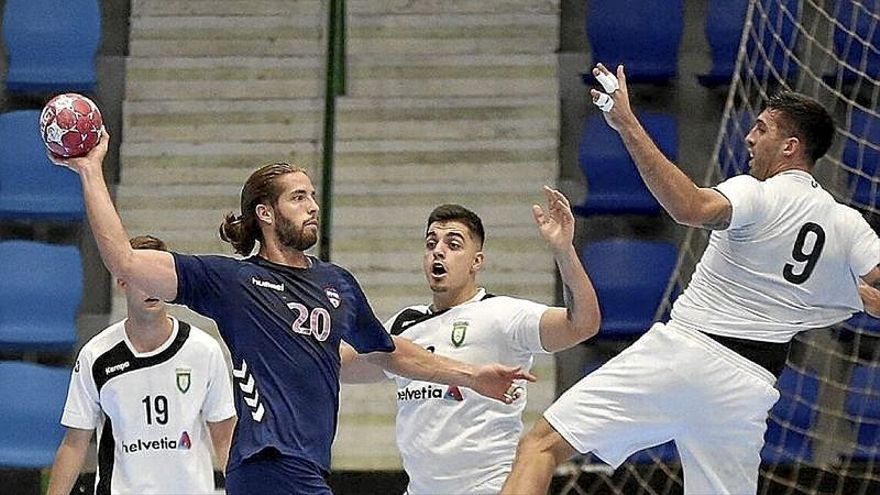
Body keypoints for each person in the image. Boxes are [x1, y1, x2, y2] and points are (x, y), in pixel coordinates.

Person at [50, 134, 534, 495]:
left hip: (306, 467)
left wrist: (471, 375)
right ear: (265, 212)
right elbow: (126, 262)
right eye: (298, 197)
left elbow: (390, 352)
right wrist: (92, 172)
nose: (312, 206)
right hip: (268, 462)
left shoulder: (337, 283)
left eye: (313, 196)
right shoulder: (232, 282)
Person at [501, 64, 880, 495]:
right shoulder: (847, 223)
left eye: (761, 129)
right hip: (748, 389)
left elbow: (689, 208)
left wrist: (626, 123)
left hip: (687, 355)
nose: (749, 138)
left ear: (790, 147)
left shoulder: (757, 193)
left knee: (540, 446)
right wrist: (858, 297)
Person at [341, 189, 601, 494]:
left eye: (453, 245)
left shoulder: (503, 314)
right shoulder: (403, 324)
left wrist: (563, 251)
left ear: (476, 261)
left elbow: (583, 324)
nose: (438, 251)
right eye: (431, 243)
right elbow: (342, 367)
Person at [46, 235, 236, 495]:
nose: (151, 287)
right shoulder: (96, 355)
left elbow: (225, 438)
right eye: (141, 277)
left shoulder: (205, 351)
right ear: (122, 281)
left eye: (157, 277)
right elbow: (75, 444)